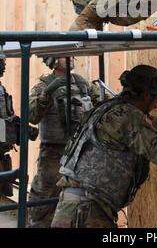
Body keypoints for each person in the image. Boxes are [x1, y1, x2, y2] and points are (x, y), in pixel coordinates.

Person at [51, 64, 157, 228]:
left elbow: (156, 128)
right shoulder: (127, 117)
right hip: (87, 212)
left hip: (77, 208)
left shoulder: (113, 109)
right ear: (146, 95)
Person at [27, 56, 102, 228]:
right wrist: (46, 95)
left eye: (72, 54)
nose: (71, 58)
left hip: (82, 153)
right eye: (64, 55)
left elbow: (101, 107)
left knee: (82, 202)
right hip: (54, 155)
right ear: (52, 60)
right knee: (44, 203)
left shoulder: (83, 84)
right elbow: (32, 115)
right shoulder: (43, 86)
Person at [0, 54, 38, 198]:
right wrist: (14, 130)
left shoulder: (1, 88)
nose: (3, 66)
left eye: (4, 62)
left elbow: (6, 117)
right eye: (0, 62)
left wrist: (23, 126)